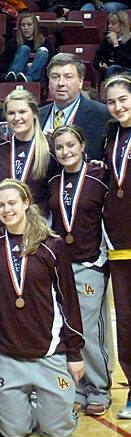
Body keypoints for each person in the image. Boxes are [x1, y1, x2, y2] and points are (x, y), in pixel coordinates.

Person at [0, 179, 85, 437]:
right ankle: (33, 405)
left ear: (26, 203)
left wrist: (74, 353)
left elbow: (69, 301)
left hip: (48, 352)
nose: (6, 210)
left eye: (12, 203)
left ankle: (59, 410)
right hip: (9, 355)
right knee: (13, 432)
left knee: (57, 431)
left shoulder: (51, 245)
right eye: (0, 205)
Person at [48, 125, 110, 416]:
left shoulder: (100, 177)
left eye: (71, 145)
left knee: (86, 329)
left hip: (90, 263)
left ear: (83, 145)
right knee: (67, 328)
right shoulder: (53, 183)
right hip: (62, 266)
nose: (66, 151)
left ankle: (99, 389)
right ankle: (79, 387)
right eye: (60, 147)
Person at [103, 73, 131, 418]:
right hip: (120, 243)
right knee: (126, 321)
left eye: (123, 99)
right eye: (111, 102)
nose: (118, 107)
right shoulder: (112, 137)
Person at [0, 89, 57, 220]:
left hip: (40, 225)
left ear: (35, 113)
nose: (16, 118)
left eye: (22, 112)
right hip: (6, 224)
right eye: (11, 113)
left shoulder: (50, 148)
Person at [39, 53, 111, 160]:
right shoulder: (37, 115)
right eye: (55, 77)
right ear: (49, 82)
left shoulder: (102, 115)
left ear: (81, 82)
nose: (61, 83)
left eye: (68, 77)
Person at [0, 13, 53, 83]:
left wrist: (34, 65)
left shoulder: (45, 42)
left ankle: (28, 79)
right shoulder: (13, 42)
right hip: (18, 72)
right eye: (23, 25)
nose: (26, 28)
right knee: (24, 49)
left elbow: (52, 64)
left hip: (37, 75)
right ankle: (12, 75)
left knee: (43, 51)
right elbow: (1, 64)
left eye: (29, 25)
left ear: (35, 26)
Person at [94, 11, 131, 80]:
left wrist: (115, 44)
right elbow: (97, 59)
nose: (109, 27)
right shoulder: (106, 41)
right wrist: (101, 64)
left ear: (122, 26)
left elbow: (125, 62)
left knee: (113, 68)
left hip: (127, 73)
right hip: (110, 73)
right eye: (108, 24)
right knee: (111, 69)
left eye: (113, 24)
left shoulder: (129, 41)